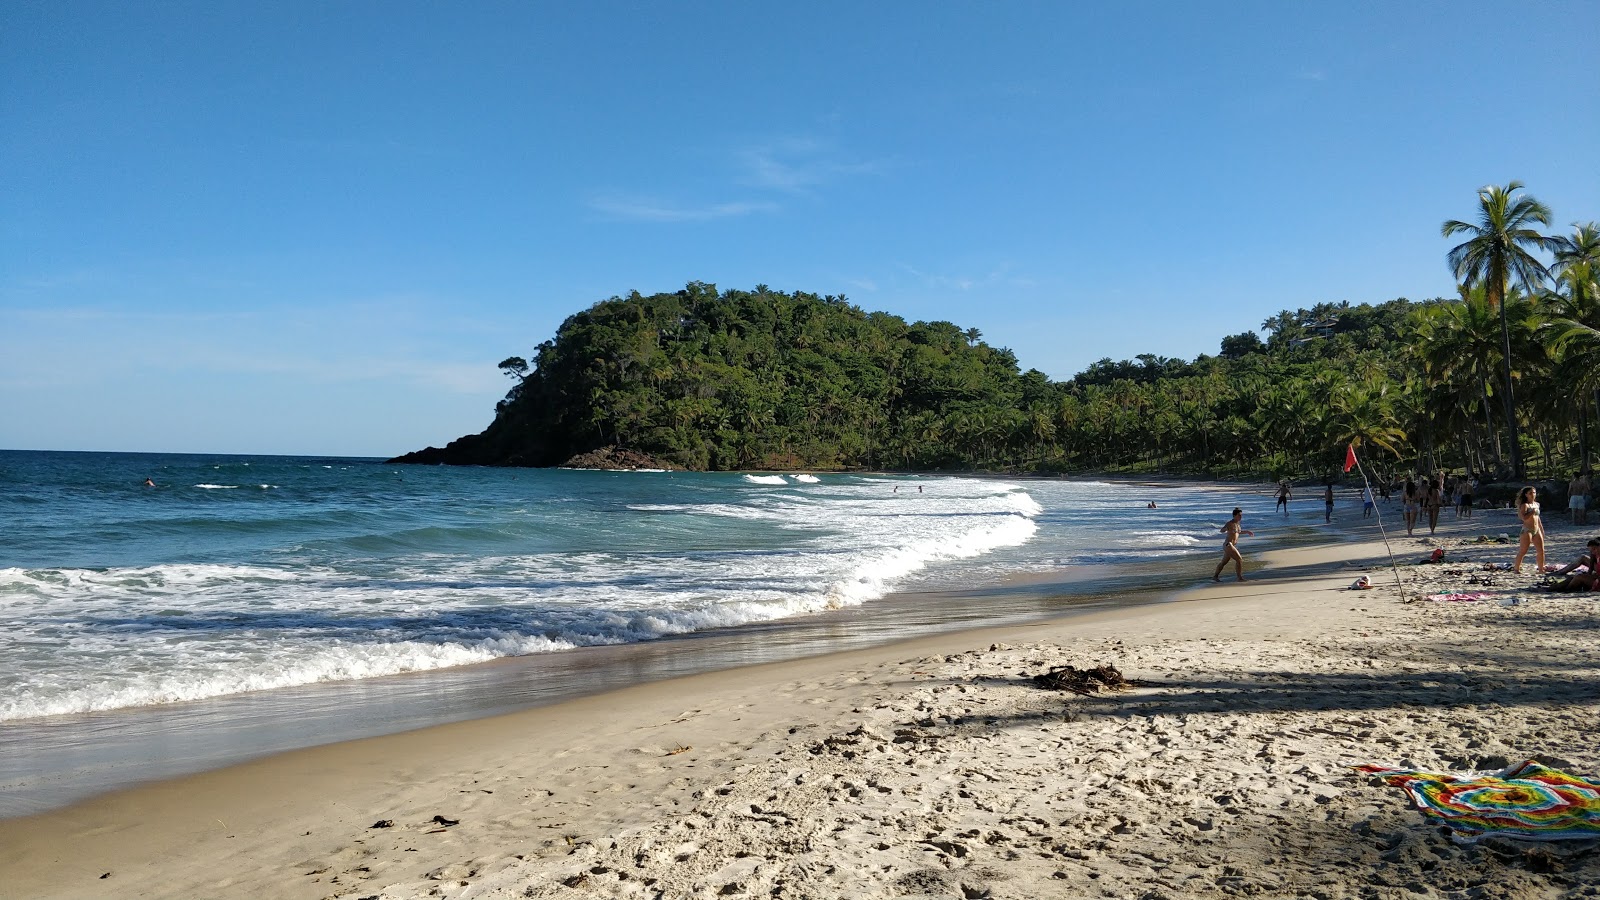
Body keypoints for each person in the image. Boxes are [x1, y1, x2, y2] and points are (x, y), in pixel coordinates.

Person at [1212, 507, 1254, 582]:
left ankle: (1215, 576)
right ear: (1234, 515)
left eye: (1241, 515)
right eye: (1239, 515)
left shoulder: (1237, 524)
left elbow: (1238, 532)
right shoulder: (1230, 523)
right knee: (1239, 559)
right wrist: (1226, 529)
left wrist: (1247, 532)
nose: (1241, 517)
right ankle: (1239, 578)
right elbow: (1222, 530)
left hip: (1231, 545)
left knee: (1224, 562)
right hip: (1228, 544)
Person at [1512, 486, 1546, 574]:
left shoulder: (1536, 504)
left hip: (1536, 529)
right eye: (1530, 493)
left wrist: (1541, 529)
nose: (1533, 495)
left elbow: (1538, 518)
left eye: (1534, 493)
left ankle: (1541, 569)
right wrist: (1531, 512)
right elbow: (1523, 518)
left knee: (1541, 550)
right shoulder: (1525, 505)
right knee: (1523, 550)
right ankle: (1516, 568)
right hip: (1527, 530)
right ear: (1526, 494)